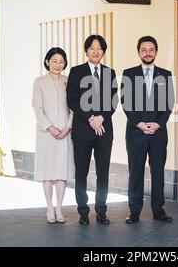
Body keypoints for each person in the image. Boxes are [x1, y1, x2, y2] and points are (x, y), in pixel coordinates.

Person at [121, 35, 175, 224]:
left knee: (158, 171)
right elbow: (126, 102)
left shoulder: (165, 74)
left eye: (151, 49)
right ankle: (134, 211)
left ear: (156, 52)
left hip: (158, 133)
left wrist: (158, 124)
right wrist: (140, 124)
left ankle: (158, 210)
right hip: (136, 132)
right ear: (138, 52)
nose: (148, 53)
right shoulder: (129, 73)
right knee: (135, 171)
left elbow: (169, 103)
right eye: (144, 50)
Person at [66, 35, 118, 225]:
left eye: (99, 48)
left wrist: (101, 118)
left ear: (103, 51)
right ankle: (83, 212)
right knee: (82, 172)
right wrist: (90, 118)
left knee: (103, 172)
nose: (96, 51)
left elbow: (113, 100)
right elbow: (71, 99)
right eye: (92, 48)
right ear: (86, 50)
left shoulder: (109, 73)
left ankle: (101, 211)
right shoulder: (76, 71)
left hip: (104, 130)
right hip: (82, 130)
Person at [32, 47, 74, 224]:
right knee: (48, 172)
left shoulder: (69, 81)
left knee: (61, 172)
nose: (58, 64)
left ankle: (59, 208)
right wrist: (50, 127)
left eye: (61, 61)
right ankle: (49, 208)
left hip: (65, 132)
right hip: (46, 134)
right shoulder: (39, 82)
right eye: (55, 61)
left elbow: (74, 107)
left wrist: (68, 127)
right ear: (48, 61)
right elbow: (37, 108)